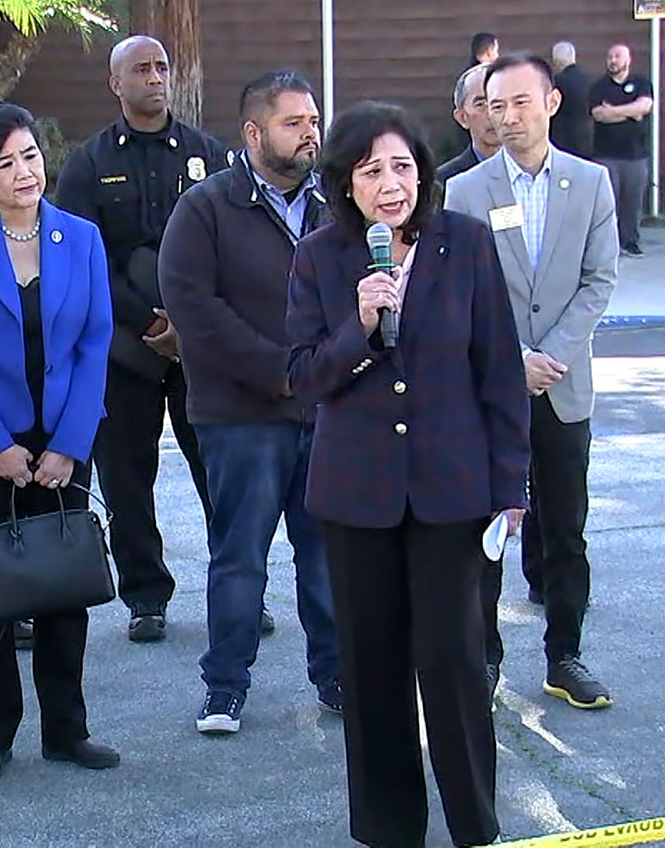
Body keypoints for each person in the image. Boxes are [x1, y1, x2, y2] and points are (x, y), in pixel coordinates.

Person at [287, 101, 531, 848]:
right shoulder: (322, 256)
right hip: (356, 495)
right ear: (347, 184)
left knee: (453, 663)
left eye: (402, 167)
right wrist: (358, 329)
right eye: (370, 170)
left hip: (450, 492)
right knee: (372, 668)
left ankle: (474, 827)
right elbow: (302, 377)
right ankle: (390, 829)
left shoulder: (466, 243)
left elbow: (498, 367)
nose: (389, 184)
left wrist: (511, 485)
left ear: (423, 174)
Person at [0, 102, 121, 784]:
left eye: (31, 155)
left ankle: (67, 730)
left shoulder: (82, 237)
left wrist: (69, 443)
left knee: (64, 582)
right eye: (4, 162)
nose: (23, 172)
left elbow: (96, 342)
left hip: (65, 435)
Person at [158, 70, 342, 735]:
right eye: (295, 123)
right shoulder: (206, 207)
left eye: (314, 120)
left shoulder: (336, 205)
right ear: (254, 133)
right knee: (240, 558)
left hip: (326, 414)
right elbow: (194, 309)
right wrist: (283, 372)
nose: (311, 133)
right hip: (241, 418)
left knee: (324, 555)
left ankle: (337, 675)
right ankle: (224, 687)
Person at [445, 54, 620, 709]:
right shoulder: (464, 193)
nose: (508, 117)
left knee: (565, 529)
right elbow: (458, 291)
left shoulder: (592, 183)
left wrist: (554, 355)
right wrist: (512, 356)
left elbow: (599, 280)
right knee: (486, 529)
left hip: (563, 386)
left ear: (550, 103)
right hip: (489, 389)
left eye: (520, 102)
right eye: (496, 106)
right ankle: (485, 658)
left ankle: (565, 655)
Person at [54, 35, 231, 643]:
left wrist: (187, 326)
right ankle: (145, 597)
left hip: (197, 351)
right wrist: (147, 322)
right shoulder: (87, 162)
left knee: (218, 473)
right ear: (116, 84)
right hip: (121, 350)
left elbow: (228, 248)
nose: (156, 77)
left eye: (162, 67)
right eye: (142, 69)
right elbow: (80, 256)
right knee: (127, 479)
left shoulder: (209, 153)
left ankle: (237, 590)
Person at [589, 44, 654, 258]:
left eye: (617, 56)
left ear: (628, 59)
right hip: (606, 155)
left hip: (635, 155)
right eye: (609, 57)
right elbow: (599, 114)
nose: (613, 60)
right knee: (608, 202)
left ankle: (630, 242)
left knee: (632, 202)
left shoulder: (641, 83)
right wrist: (630, 112)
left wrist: (614, 112)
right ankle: (608, 244)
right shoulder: (599, 87)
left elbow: (644, 107)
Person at [437, 63, 498, 184]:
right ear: (462, 118)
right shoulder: (445, 181)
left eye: (497, 103)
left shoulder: (535, 169)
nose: (491, 113)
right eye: (480, 104)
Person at [550, 41, 594, 159]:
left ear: (556, 60)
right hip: (585, 138)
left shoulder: (557, 82)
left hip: (562, 139)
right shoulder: (587, 80)